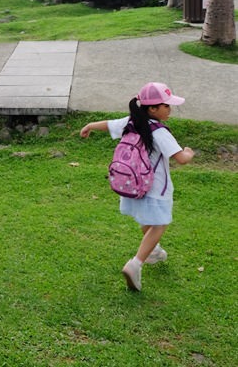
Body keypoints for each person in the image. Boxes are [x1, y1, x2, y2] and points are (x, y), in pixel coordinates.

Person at [80, 82, 194, 292]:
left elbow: (110, 124)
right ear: (153, 109)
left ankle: (154, 251)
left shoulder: (132, 122)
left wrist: (90, 125)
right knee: (159, 225)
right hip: (155, 188)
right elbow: (181, 159)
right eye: (166, 106)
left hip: (132, 185)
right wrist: (189, 151)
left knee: (147, 220)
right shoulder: (159, 132)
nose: (170, 110)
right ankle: (136, 264)